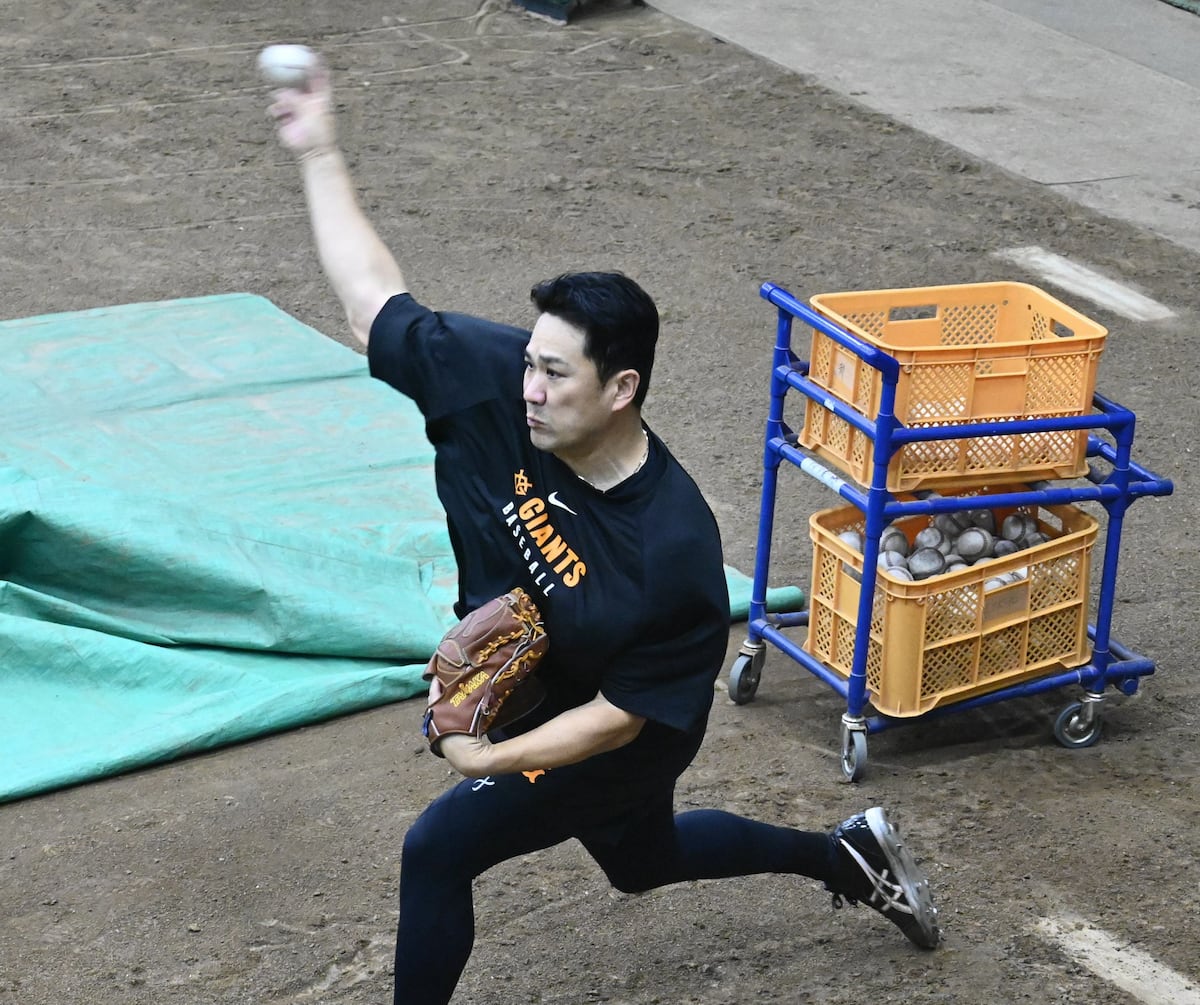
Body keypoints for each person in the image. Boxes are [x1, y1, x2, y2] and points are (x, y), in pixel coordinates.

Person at [267, 54, 940, 1005]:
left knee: (438, 847)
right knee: (641, 861)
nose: (530, 390)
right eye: (530, 363)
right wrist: (318, 151)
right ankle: (847, 855)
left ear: (621, 387)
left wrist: (491, 757)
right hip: (537, 684)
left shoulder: (671, 549)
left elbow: (619, 717)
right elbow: (369, 297)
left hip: (619, 732)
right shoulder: (497, 380)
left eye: (556, 374)